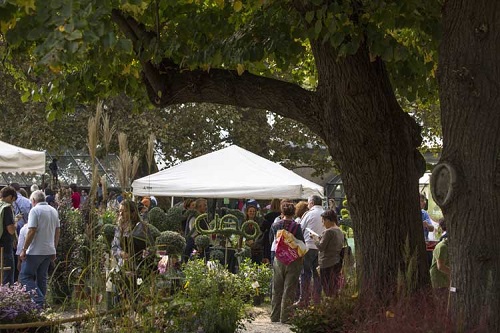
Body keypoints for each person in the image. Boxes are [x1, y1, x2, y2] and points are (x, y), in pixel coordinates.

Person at [19, 190, 60, 307]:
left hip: (35, 250)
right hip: (49, 250)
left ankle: (39, 301)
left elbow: (31, 230)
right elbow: (58, 231)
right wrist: (54, 248)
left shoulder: (35, 210)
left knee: (25, 276)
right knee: (41, 277)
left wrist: (24, 249)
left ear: (33, 200)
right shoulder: (53, 211)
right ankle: (42, 306)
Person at [270, 201, 304, 323]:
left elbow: (272, 241)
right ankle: (285, 317)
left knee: (277, 287)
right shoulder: (297, 226)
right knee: (289, 288)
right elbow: (301, 243)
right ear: (293, 212)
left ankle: (274, 316)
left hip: (279, 258)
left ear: (282, 212)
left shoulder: (275, 225)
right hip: (293, 260)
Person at [296, 194, 325, 306]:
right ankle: (317, 299)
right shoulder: (325, 213)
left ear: (312, 203)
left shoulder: (309, 214)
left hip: (308, 246)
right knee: (317, 274)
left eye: (308, 203)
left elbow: (300, 228)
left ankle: (304, 299)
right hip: (320, 247)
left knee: (305, 274)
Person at [311, 209, 344, 297]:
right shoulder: (339, 231)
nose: (323, 224)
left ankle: (331, 305)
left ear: (328, 220)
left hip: (327, 263)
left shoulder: (328, 232)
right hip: (337, 261)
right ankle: (335, 304)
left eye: (323, 221)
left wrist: (315, 239)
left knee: (327, 288)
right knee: (335, 286)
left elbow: (321, 247)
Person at [1, 186, 17, 285]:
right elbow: (11, 230)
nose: (13, 203)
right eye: (13, 200)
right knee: (8, 273)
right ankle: (6, 298)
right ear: (10, 197)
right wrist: (15, 222)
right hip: (5, 245)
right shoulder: (6, 208)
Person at [430, 226, 450, 293]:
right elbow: (440, 266)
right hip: (439, 280)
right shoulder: (443, 247)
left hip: (445, 279)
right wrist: (455, 274)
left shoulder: (449, 246)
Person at [262, 199, 281, 264]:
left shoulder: (267, 216)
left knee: (268, 257)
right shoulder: (281, 216)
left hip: (268, 239)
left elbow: (262, 229)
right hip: (279, 238)